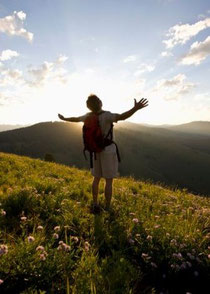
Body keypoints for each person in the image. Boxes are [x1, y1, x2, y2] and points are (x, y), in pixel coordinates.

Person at [58, 94, 148, 212]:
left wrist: (64, 118)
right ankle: (107, 207)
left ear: (89, 107)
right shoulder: (107, 116)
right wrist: (135, 108)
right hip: (108, 150)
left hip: (95, 151)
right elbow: (122, 117)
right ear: (100, 103)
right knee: (109, 181)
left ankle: (95, 204)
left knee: (96, 179)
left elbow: (75, 119)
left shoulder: (87, 117)